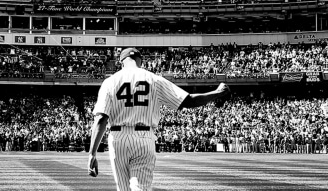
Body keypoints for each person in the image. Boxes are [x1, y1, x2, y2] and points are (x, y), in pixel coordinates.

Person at [87, 47, 230, 191]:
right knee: (140, 188)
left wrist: (92, 154)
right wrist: (217, 92)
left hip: (117, 138)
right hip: (144, 137)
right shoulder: (153, 79)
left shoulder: (110, 81)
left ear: (121, 62)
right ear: (140, 61)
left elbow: (101, 119)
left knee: (123, 189)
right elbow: (189, 100)